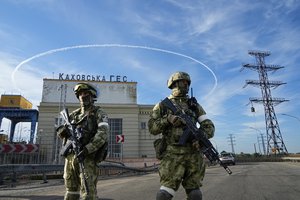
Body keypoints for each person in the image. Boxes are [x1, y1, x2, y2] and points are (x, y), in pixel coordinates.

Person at [148, 72, 215, 200]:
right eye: (182, 82)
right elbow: (152, 128)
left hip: (193, 155)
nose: (185, 85)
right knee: (165, 194)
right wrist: (167, 120)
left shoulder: (194, 106)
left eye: (187, 83)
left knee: (195, 194)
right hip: (172, 155)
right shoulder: (162, 105)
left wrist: (201, 137)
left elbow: (209, 126)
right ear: (174, 84)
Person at [57, 82, 109, 200]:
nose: (83, 96)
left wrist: (87, 149)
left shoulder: (99, 113)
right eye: (80, 94)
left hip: (87, 157)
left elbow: (103, 134)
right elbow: (61, 131)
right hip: (70, 157)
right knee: (71, 191)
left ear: (92, 96)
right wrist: (62, 131)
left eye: (86, 93)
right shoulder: (73, 115)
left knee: (88, 193)